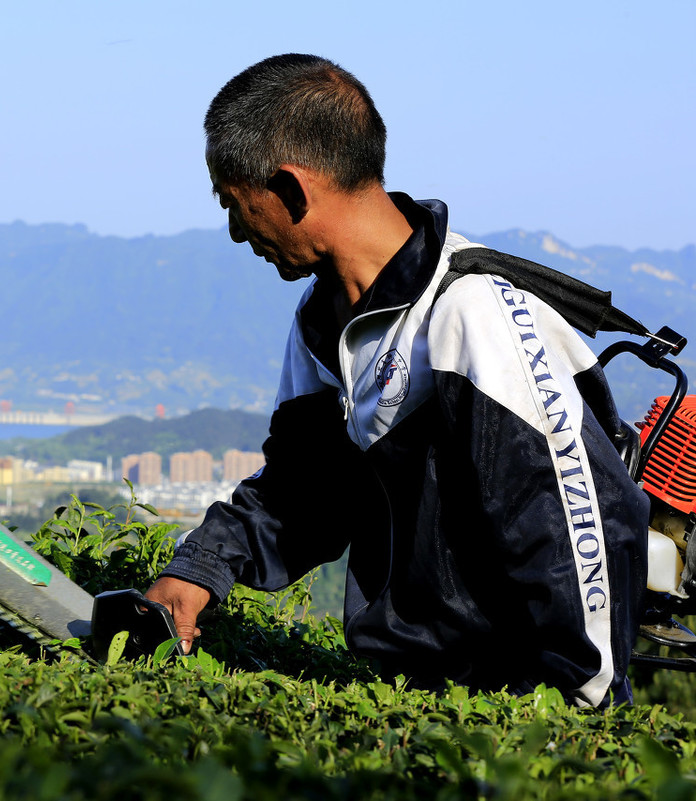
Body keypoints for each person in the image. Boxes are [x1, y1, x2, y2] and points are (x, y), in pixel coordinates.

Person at [144, 54, 649, 707]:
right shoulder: (322, 325)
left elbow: (581, 529)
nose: (239, 232)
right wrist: (203, 566)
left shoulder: (470, 315)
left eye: (237, 205)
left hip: (511, 706)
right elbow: (305, 493)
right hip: (408, 693)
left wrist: (577, 705)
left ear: (292, 189)